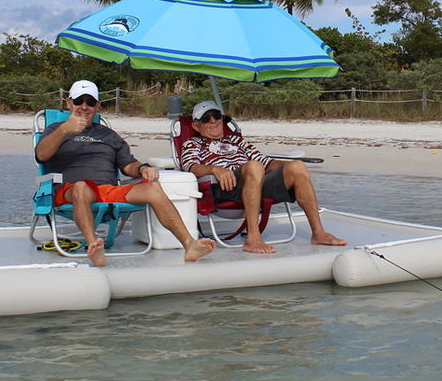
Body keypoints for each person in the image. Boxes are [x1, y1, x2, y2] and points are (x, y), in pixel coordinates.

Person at [35, 80, 215, 267]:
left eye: (90, 102)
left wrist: (142, 169)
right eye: (79, 101)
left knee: (152, 188)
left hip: (107, 190)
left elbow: (127, 165)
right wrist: (65, 129)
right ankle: (94, 246)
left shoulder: (109, 135)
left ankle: (189, 244)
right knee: (82, 187)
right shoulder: (55, 129)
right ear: (69, 103)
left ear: (97, 106)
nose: (84, 107)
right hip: (71, 190)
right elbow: (42, 155)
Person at [180, 100, 346, 254]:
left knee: (297, 166)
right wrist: (215, 169)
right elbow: (189, 166)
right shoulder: (193, 144)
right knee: (254, 166)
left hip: (255, 181)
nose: (214, 121)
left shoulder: (237, 142)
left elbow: (265, 162)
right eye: (206, 119)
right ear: (196, 125)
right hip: (224, 188)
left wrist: (288, 167)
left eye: (217, 116)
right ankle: (253, 238)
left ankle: (318, 233)